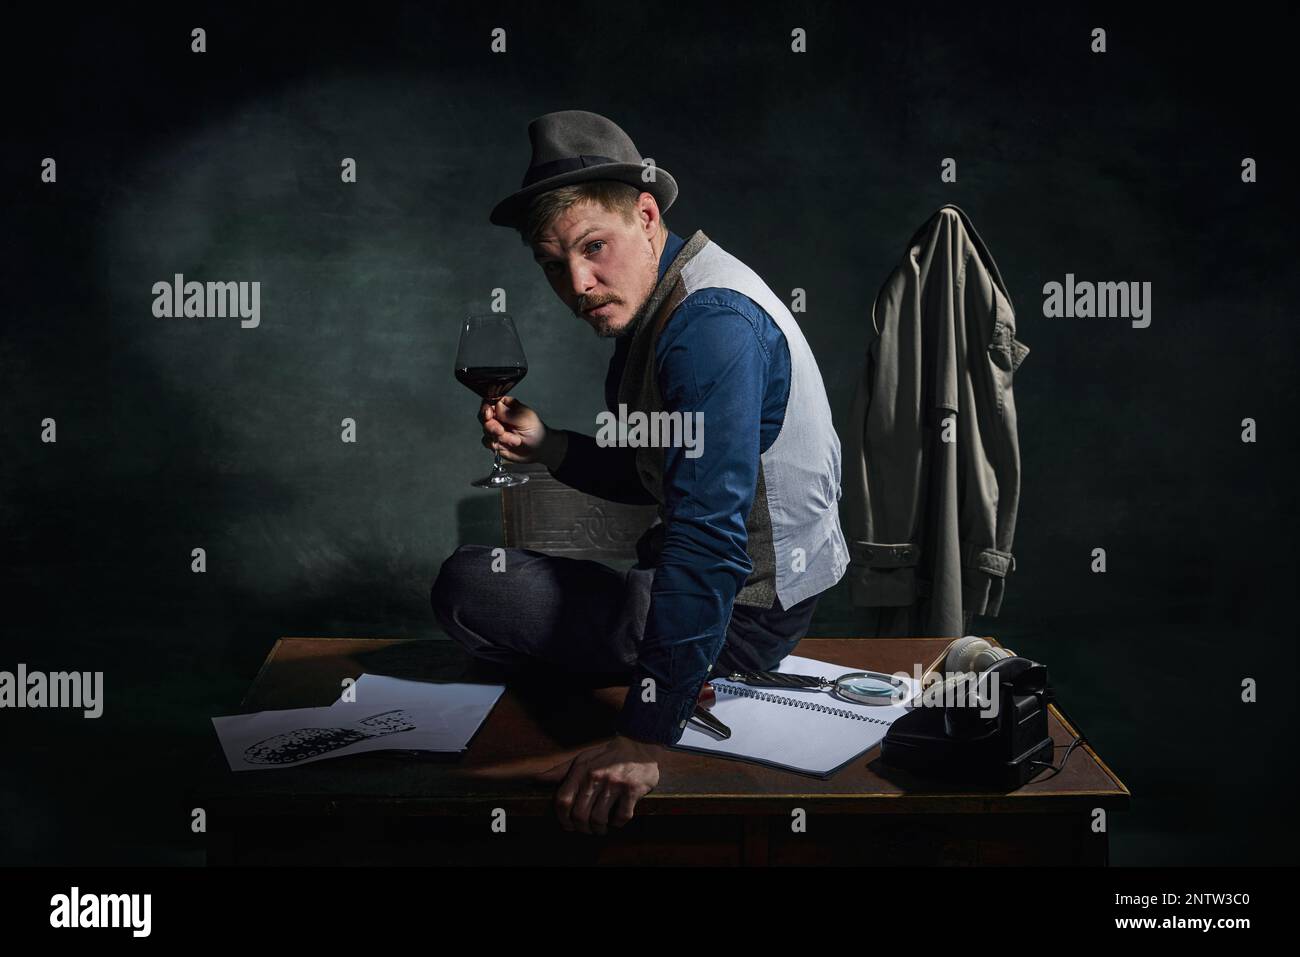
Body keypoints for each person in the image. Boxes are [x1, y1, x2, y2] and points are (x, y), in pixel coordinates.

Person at [431, 110, 848, 835]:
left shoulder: (709, 326)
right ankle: (661, 667)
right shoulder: (666, 297)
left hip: (745, 615)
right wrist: (552, 446)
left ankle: (695, 677)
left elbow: (709, 540)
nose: (580, 283)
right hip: (692, 584)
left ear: (647, 216)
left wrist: (644, 737)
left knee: (470, 585)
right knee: (490, 592)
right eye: (555, 266)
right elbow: (658, 472)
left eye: (595, 248)